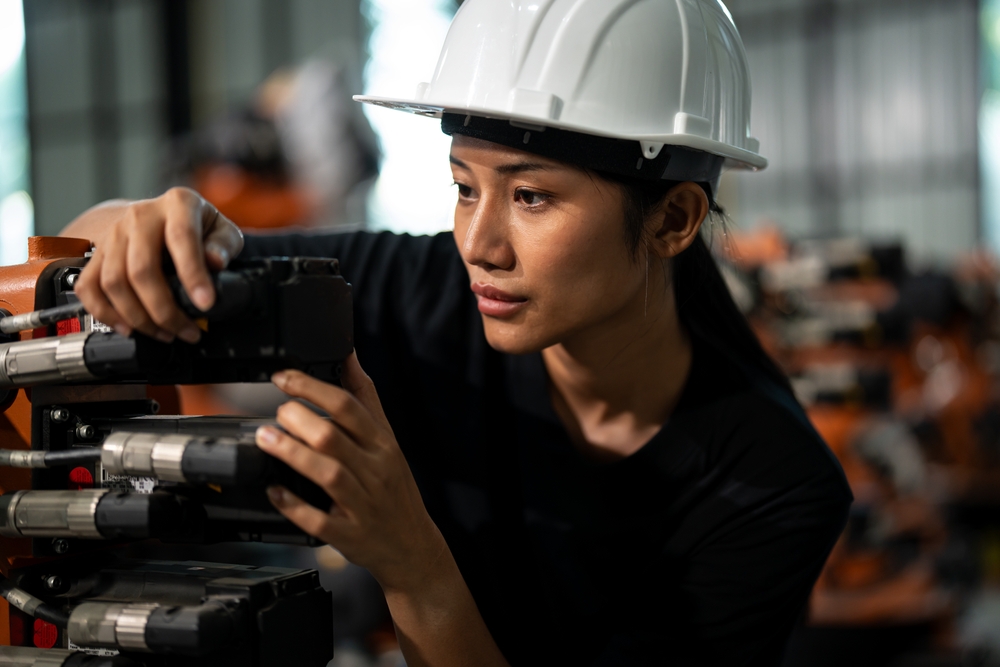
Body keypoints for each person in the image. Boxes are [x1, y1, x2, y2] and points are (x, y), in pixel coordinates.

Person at [62, 1, 852, 665]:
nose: (480, 243)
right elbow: (84, 250)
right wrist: (148, 228)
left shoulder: (772, 490)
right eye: (463, 187)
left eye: (533, 197)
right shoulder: (431, 290)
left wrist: (414, 564)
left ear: (672, 219)